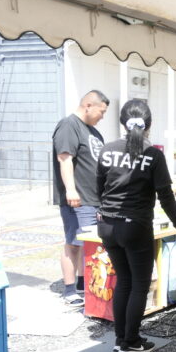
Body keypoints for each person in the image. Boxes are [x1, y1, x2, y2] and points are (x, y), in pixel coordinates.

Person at [96, 99, 176, 352]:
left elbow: (99, 188)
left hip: (107, 225)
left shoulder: (107, 150)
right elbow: (166, 197)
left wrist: (102, 209)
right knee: (139, 284)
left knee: (123, 280)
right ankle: (131, 342)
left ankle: (121, 339)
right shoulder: (153, 154)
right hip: (135, 226)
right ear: (149, 124)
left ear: (122, 122)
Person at [52, 89, 109, 306]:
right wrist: (71, 190)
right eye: (101, 111)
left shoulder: (93, 132)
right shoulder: (69, 125)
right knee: (74, 243)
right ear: (88, 106)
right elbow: (64, 159)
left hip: (96, 199)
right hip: (78, 198)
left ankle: (84, 285)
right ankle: (69, 290)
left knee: (91, 245)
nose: (102, 116)